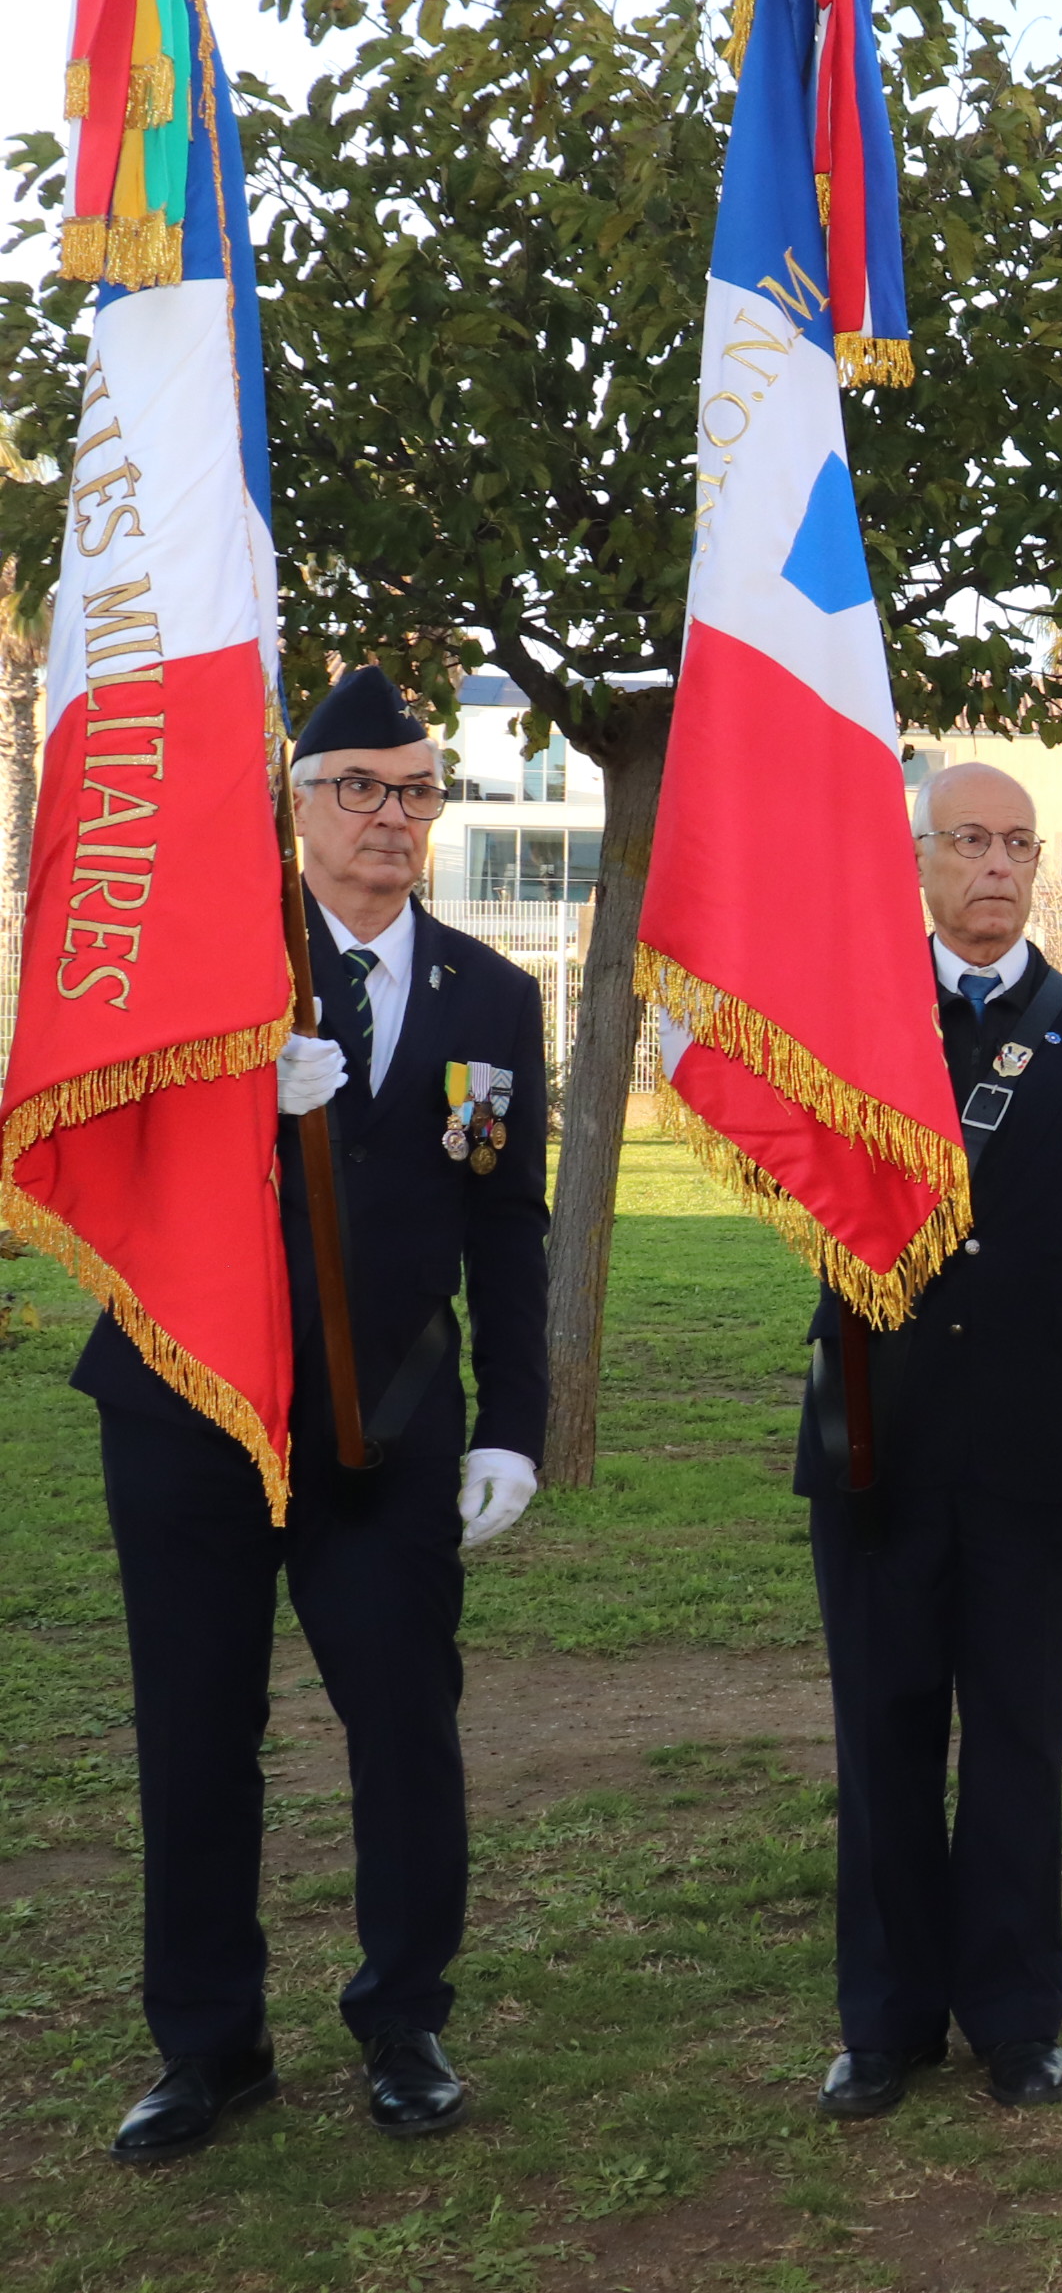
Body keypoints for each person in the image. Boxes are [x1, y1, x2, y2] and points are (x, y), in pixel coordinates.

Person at [84, 666, 548, 2160]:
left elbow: (506, 1227)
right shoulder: (209, 972)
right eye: (360, 788)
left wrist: (511, 1423)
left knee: (406, 1724)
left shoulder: (493, 995)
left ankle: (404, 2014)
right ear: (296, 801)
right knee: (196, 1732)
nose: (391, 819)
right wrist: (232, 1085)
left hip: (384, 1421)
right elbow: (111, 1133)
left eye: (417, 791)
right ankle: (208, 2046)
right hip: (191, 1402)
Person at [802, 762, 1062, 2120]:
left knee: (1020, 1735)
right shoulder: (844, 1029)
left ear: (1043, 867)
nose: (995, 864)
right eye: (968, 840)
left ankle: (1018, 2015)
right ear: (919, 858)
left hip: (1036, 1440)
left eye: (1018, 844)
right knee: (885, 1730)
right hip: (875, 1429)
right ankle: (886, 2020)